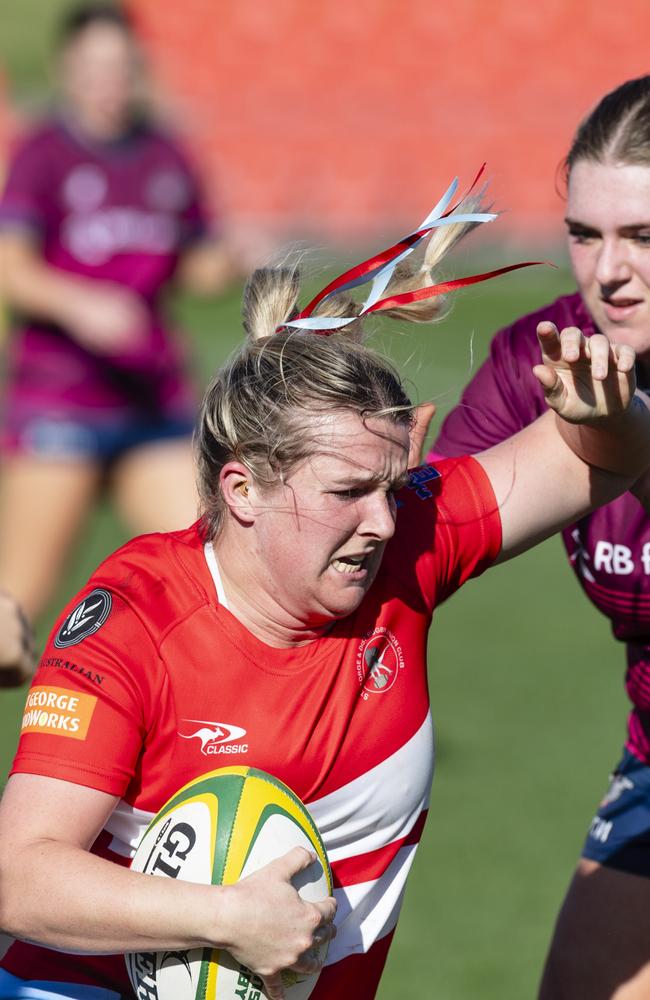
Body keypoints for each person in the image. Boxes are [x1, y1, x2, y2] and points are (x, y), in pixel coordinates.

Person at [0, 188, 648, 1000]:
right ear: (242, 490)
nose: (382, 521)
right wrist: (227, 917)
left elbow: (599, 458)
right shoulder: (134, 617)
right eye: (345, 492)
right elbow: (21, 878)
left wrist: (614, 414)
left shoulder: (403, 535)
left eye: (391, 485)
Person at [428, 76, 650, 1000]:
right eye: (584, 234)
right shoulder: (542, 357)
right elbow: (421, 534)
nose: (607, 272)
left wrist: (619, 436)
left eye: (644, 238)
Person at [0, 2, 240, 626]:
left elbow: (194, 261)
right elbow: (11, 268)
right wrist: (80, 303)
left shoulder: (164, 153)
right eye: (93, 66)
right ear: (67, 70)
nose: (108, 80)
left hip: (152, 401)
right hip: (62, 403)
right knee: (13, 614)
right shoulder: (44, 155)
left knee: (217, 585)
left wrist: (235, 260)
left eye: (119, 65)